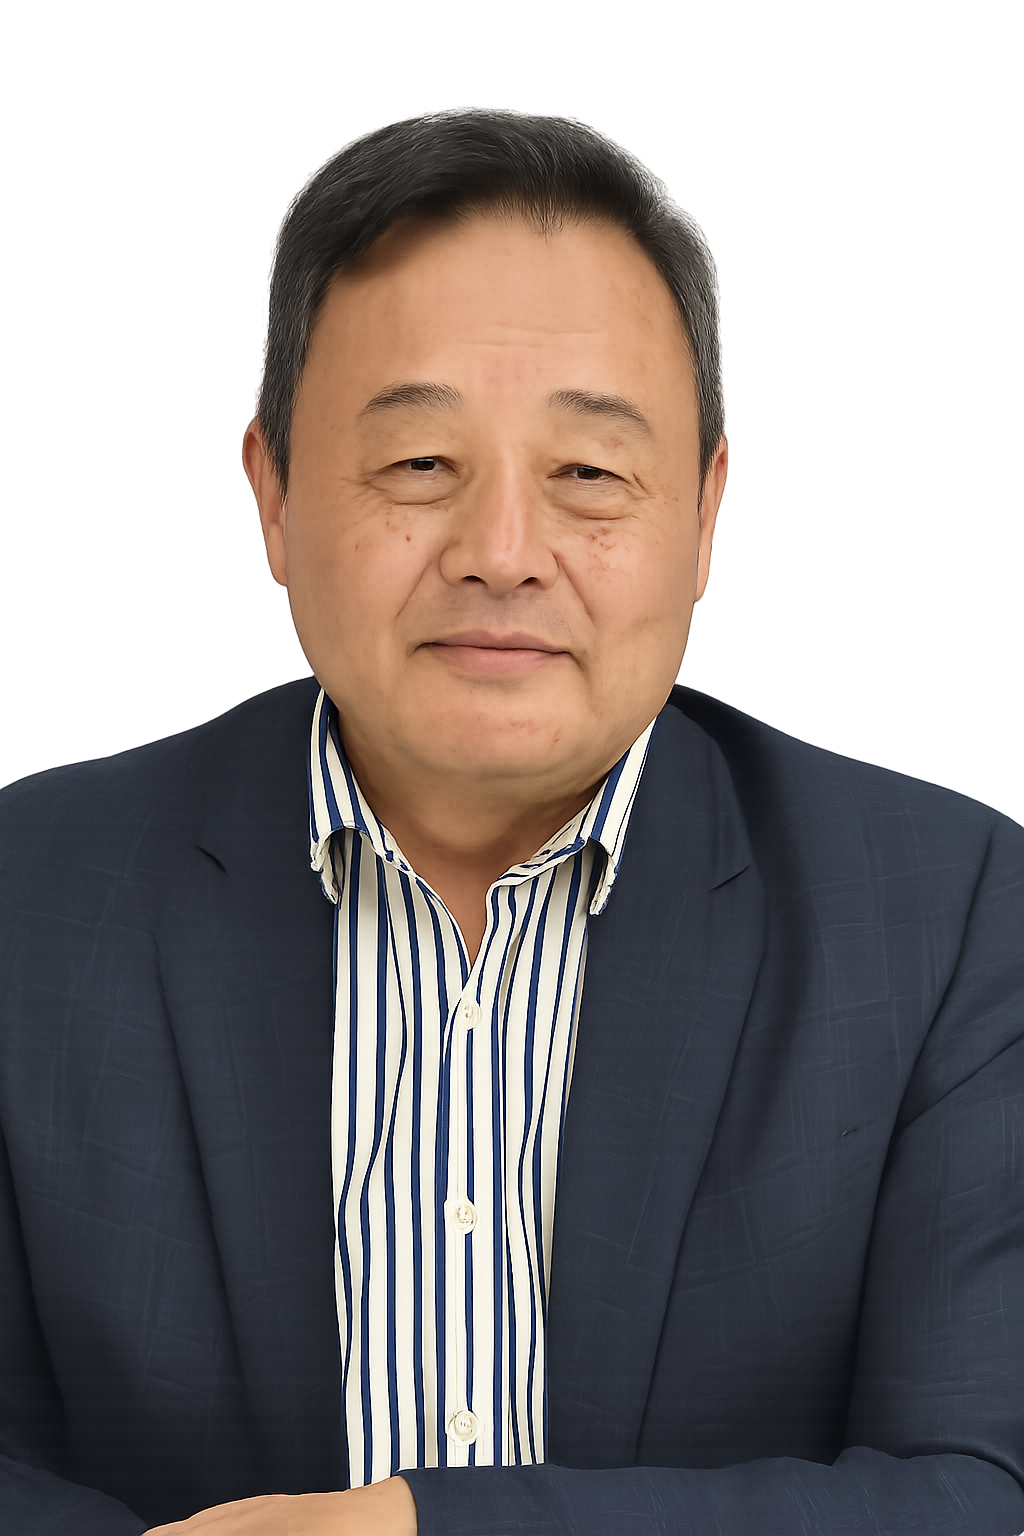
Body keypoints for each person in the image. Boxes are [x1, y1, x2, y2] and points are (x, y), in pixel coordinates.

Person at [1, 111, 1022, 1536]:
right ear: (273, 497)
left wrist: (415, 1529)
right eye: (419, 463)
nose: (500, 553)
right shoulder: (30, 903)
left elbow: (979, 1489)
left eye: (589, 474)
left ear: (707, 514)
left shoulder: (953, 917)